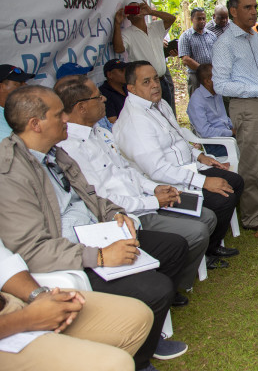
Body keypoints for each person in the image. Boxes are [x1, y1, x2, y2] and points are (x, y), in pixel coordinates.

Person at [0, 85, 189, 371]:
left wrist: (115, 213)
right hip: (68, 256)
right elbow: (31, 248)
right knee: (157, 288)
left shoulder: (54, 152)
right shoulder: (10, 173)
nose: (66, 118)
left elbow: (90, 194)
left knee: (174, 248)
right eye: (58, 114)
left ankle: (148, 329)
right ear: (35, 124)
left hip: (98, 232)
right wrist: (99, 256)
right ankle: (139, 358)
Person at [55, 74, 219, 286]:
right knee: (196, 231)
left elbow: (128, 170)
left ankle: (178, 274)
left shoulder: (100, 132)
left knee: (207, 216)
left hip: (143, 198)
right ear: (81, 107)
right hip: (126, 214)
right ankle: (171, 284)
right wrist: (153, 201)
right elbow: (102, 198)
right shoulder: (70, 149)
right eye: (98, 97)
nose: (104, 99)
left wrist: (156, 189)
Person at [113, 62, 250, 258]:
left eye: (155, 79)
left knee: (235, 181)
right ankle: (207, 251)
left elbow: (178, 139)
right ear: (131, 88)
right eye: (146, 81)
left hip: (188, 169)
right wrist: (204, 182)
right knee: (222, 197)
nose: (154, 85)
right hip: (166, 184)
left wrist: (200, 156)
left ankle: (212, 240)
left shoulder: (159, 104)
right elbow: (158, 170)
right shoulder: (135, 121)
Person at [0, 237, 153, 371]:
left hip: (9, 302)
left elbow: (3, 261)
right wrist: (28, 318)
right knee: (116, 364)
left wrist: (39, 297)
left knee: (137, 315)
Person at [209, 0, 258, 232]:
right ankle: (252, 217)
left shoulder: (255, 37)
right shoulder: (224, 43)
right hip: (244, 105)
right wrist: (257, 89)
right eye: (248, 8)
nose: (254, 12)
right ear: (233, 11)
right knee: (251, 163)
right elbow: (220, 84)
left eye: (255, 7)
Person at [112, 0, 177, 113]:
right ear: (128, 16)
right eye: (131, 10)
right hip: (145, 84)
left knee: (169, 114)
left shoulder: (155, 27)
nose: (136, 12)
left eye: (137, 9)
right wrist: (117, 24)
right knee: (152, 116)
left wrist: (151, 12)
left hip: (162, 79)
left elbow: (172, 19)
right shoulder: (127, 33)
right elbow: (118, 49)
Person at [187, 63, 235, 156]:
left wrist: (235, 127)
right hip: (215, 144)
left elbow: (223, 119)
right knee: (250, 152)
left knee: (257, 142)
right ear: (208, 81)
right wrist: (230, 132)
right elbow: (205, 131)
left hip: (228, 137)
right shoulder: (197, 101)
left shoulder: (216, 93)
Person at [178, 7, 217, 96]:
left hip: (212, 76)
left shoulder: (212, 35)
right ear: (192, 19)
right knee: (198, 103)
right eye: (199, 19)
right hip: (196, 76)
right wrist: (203, 71)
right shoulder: (186, 36)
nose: (202, 21)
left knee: (213, 102)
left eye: (203, 18)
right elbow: (186, 59)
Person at [0, 64, 34, 139]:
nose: (25, 85)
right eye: (19, 83)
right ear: (1, 87)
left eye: (24, 82)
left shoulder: (17, 111)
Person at [99, 59, 129, 123]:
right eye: (121, 71)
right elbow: (112, 122)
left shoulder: (128, 88)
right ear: (109, 75)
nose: (126, 73)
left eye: (126, 70)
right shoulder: (104, 94)